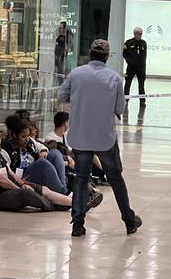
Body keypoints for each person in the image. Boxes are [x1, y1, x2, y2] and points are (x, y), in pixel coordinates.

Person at [59, 39, 142, 237]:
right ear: (107, 56)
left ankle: (77, 225)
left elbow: (62, 97)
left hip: (80, 137)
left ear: (90, 54)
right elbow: (120, 109)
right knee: (115, 179)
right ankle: (129, 221)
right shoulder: (114, 78)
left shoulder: (76, 74)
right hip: (105, 138)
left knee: (81, 179)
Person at [0, 125, 102, 213]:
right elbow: (1, 180)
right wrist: (19, 188)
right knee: (28, 193)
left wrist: (23, 183)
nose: (1, 139)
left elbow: (10, 173)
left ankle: (77, 203)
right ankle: (59, 203)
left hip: (12, 185)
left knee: (42, 188)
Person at [3, 116, 68, 195]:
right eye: (23, 136)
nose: (27, 139)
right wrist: (19, 181)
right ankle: (64, 193)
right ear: (14, 135)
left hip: (34, 172)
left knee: (55, 153)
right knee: (42, 163)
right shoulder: (7, 148)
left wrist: (43, 151)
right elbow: (6, 171)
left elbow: (41, 146)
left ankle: (63, 190)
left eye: (28, 136)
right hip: (22, 178)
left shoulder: (29, 142)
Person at [123, 27, 147, 106]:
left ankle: (142, 100)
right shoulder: (128, 42)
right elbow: (124, 54)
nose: (140, 35)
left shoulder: (144, 43)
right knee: (128, 83)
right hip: (131, 67)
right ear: (135, 33)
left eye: (141, 34)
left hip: (141, 68)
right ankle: (125, 98)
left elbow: (144, 55)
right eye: (138, 33)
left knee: (141, 84)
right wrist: (129, 61)